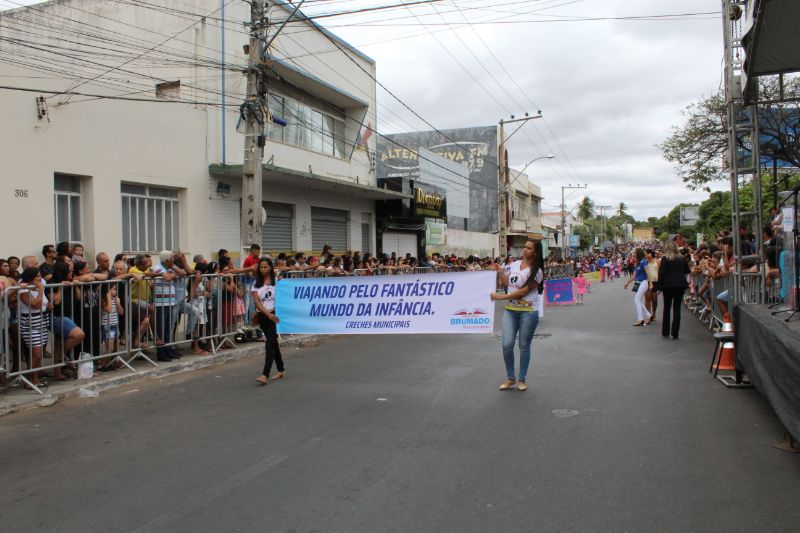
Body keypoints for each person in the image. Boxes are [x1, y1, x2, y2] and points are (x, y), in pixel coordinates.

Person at [489, 239, 543, 392]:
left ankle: (522, 379)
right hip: (511, 310)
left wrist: (500, 297)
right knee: (507, 344)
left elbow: (522, 292)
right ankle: (510, 377)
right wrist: (500, 271)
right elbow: (507, 283)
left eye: (528, 248)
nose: (525, 250)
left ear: (535, 252)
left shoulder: (537, 271)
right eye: (524, 247)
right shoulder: (515, 264)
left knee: (524, 346)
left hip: (528, 313)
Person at [252, 257, 285, 385]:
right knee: (273, 342)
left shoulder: (276, 281)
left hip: (274, 315)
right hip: (264, 316)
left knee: (270, 343)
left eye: (265, 267)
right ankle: (281, 369)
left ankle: (265, 374)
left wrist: (280, 278)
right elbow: (257, 303)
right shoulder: (256, 284)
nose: (263, 269)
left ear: (270, 267)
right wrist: (268, 315)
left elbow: (285, 291)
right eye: (261, 267)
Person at [657, 241, 690, 339]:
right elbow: (687, 270)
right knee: (677, 308)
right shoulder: (681, 258)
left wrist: (659, 286)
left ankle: (665, 331)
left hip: (668, 284)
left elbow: (661, 273)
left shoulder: (665, 258)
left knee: (667, 308)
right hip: (680, 284)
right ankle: (675, 332)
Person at [624, 248, 651, 326]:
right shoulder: (638, 263)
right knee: (638, 300)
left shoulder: (644, 261)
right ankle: (648, 315)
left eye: (634, 253)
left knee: (637, 299)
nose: (633, 254)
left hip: (644, 282)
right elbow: (635, 275)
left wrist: (651, 283)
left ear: (638, 253)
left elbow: (648, 273)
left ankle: (640, 319)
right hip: (637, 283)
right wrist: (627, 283)